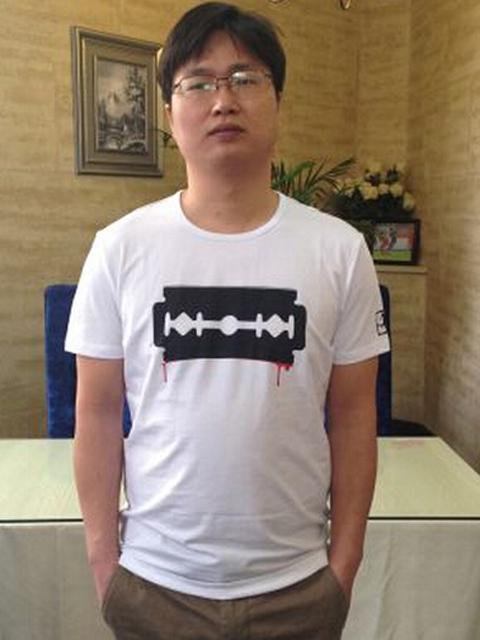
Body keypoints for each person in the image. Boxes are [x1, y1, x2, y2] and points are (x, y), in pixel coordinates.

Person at [66, 3, 390, 639]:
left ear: (278, 100)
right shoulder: (119, 248)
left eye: (245, 79)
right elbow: (96, 414)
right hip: (155, 585)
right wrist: (105, 567)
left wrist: (343, 566)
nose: (224, 100)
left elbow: (355, 415)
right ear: (169, 114)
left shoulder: (339, 250)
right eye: (199, 83)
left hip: (298, 586)